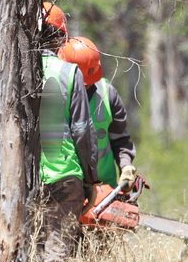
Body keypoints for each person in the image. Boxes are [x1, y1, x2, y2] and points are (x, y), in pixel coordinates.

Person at [39, 2, 99, 262]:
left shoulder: (9, 71)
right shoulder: (69, 73)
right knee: (56, 256)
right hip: (64, 177)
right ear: (59, 37)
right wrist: (91, 181)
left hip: (24, 180)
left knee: (27, 255)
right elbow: (82, 131)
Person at [58, 36, 137, 189]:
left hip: (106, 189)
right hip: (67, 192)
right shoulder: (54, 98)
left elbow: (120, 140)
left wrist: (126, 167)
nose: (85, 88)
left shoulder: (107, 94)